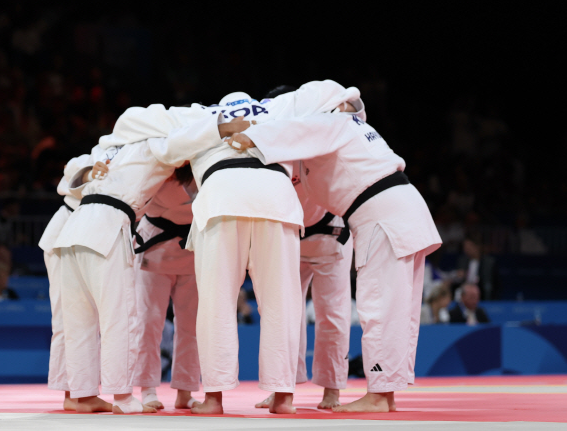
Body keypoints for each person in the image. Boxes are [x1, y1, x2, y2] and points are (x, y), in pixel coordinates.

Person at [229, 90, 442, 413]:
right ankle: (386, 393)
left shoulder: (327, 122)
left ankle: (378, 395)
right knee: (399, 310)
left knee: (379, 306)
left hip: (379, 214)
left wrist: (243, 134)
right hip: (402, 206)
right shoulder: (348, 122)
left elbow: (281, 130)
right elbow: (350, 103)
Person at [181, 81, 359, 415]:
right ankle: (283, 397)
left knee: (217, 303)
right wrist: (350, 103)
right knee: (282, 304)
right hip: (277, 201)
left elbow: (155, 136)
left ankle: (214, 398)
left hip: (221, 200)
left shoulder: (204, 116)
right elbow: (335, 89)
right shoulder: (277, 109)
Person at [54, 108, 243, 414]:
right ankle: (123, 397)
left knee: (81, 318)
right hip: (109, 224)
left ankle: (83, 395)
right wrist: (223, 127)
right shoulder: (150, 145)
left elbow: (72, 176)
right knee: (120, 317)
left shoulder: (110, 149)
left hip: (75, 226)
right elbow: (179, 142)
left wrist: (88, 174)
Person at [256, 155, 354, 410]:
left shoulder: (324, 141)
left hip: (329, 232)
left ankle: (332, 389)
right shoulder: (272, 148)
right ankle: (280, 386)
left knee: (332, 312)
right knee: (280, 313)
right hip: (288, 233)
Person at [131, 169, 201, 411]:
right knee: (148, 320)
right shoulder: (158, 162)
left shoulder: (203, 161)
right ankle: (147, 388)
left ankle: (185, 389)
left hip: (193, 245)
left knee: (191, 324)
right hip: (155, 245)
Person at [38, 151, 96, 411]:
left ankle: (75, 392)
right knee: (67, 318)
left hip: (82, 233)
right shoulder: (93, 156)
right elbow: (70, 175)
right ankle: (72, 394)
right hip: (66, 232)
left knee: (78, 318)